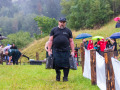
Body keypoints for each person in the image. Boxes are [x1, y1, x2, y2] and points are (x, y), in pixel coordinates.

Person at [48, 17, 74, 82]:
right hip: (56, 50)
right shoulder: (54, 30)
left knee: (66, 64)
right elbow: (50, 40)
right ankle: (58, 74)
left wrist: (73, 51)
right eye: (61, 22)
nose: (62, 23)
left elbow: (71, 41)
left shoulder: (68, 31)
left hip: (66, 50)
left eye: (63, 22)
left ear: (65, 23)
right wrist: (49, 50)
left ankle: (65, 77)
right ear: (58, 22)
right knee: (56, 64)